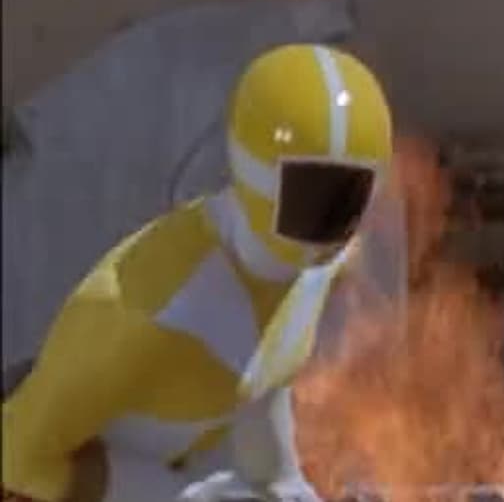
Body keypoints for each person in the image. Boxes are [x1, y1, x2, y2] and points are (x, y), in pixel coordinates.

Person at [1, 44, 394, 502]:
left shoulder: (320, 271)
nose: (328, 224)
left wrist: (286, 487)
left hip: (177, 465)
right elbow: (16, 454)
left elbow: (263, 385)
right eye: (313, 194)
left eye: (348, 197)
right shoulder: (145, 309)